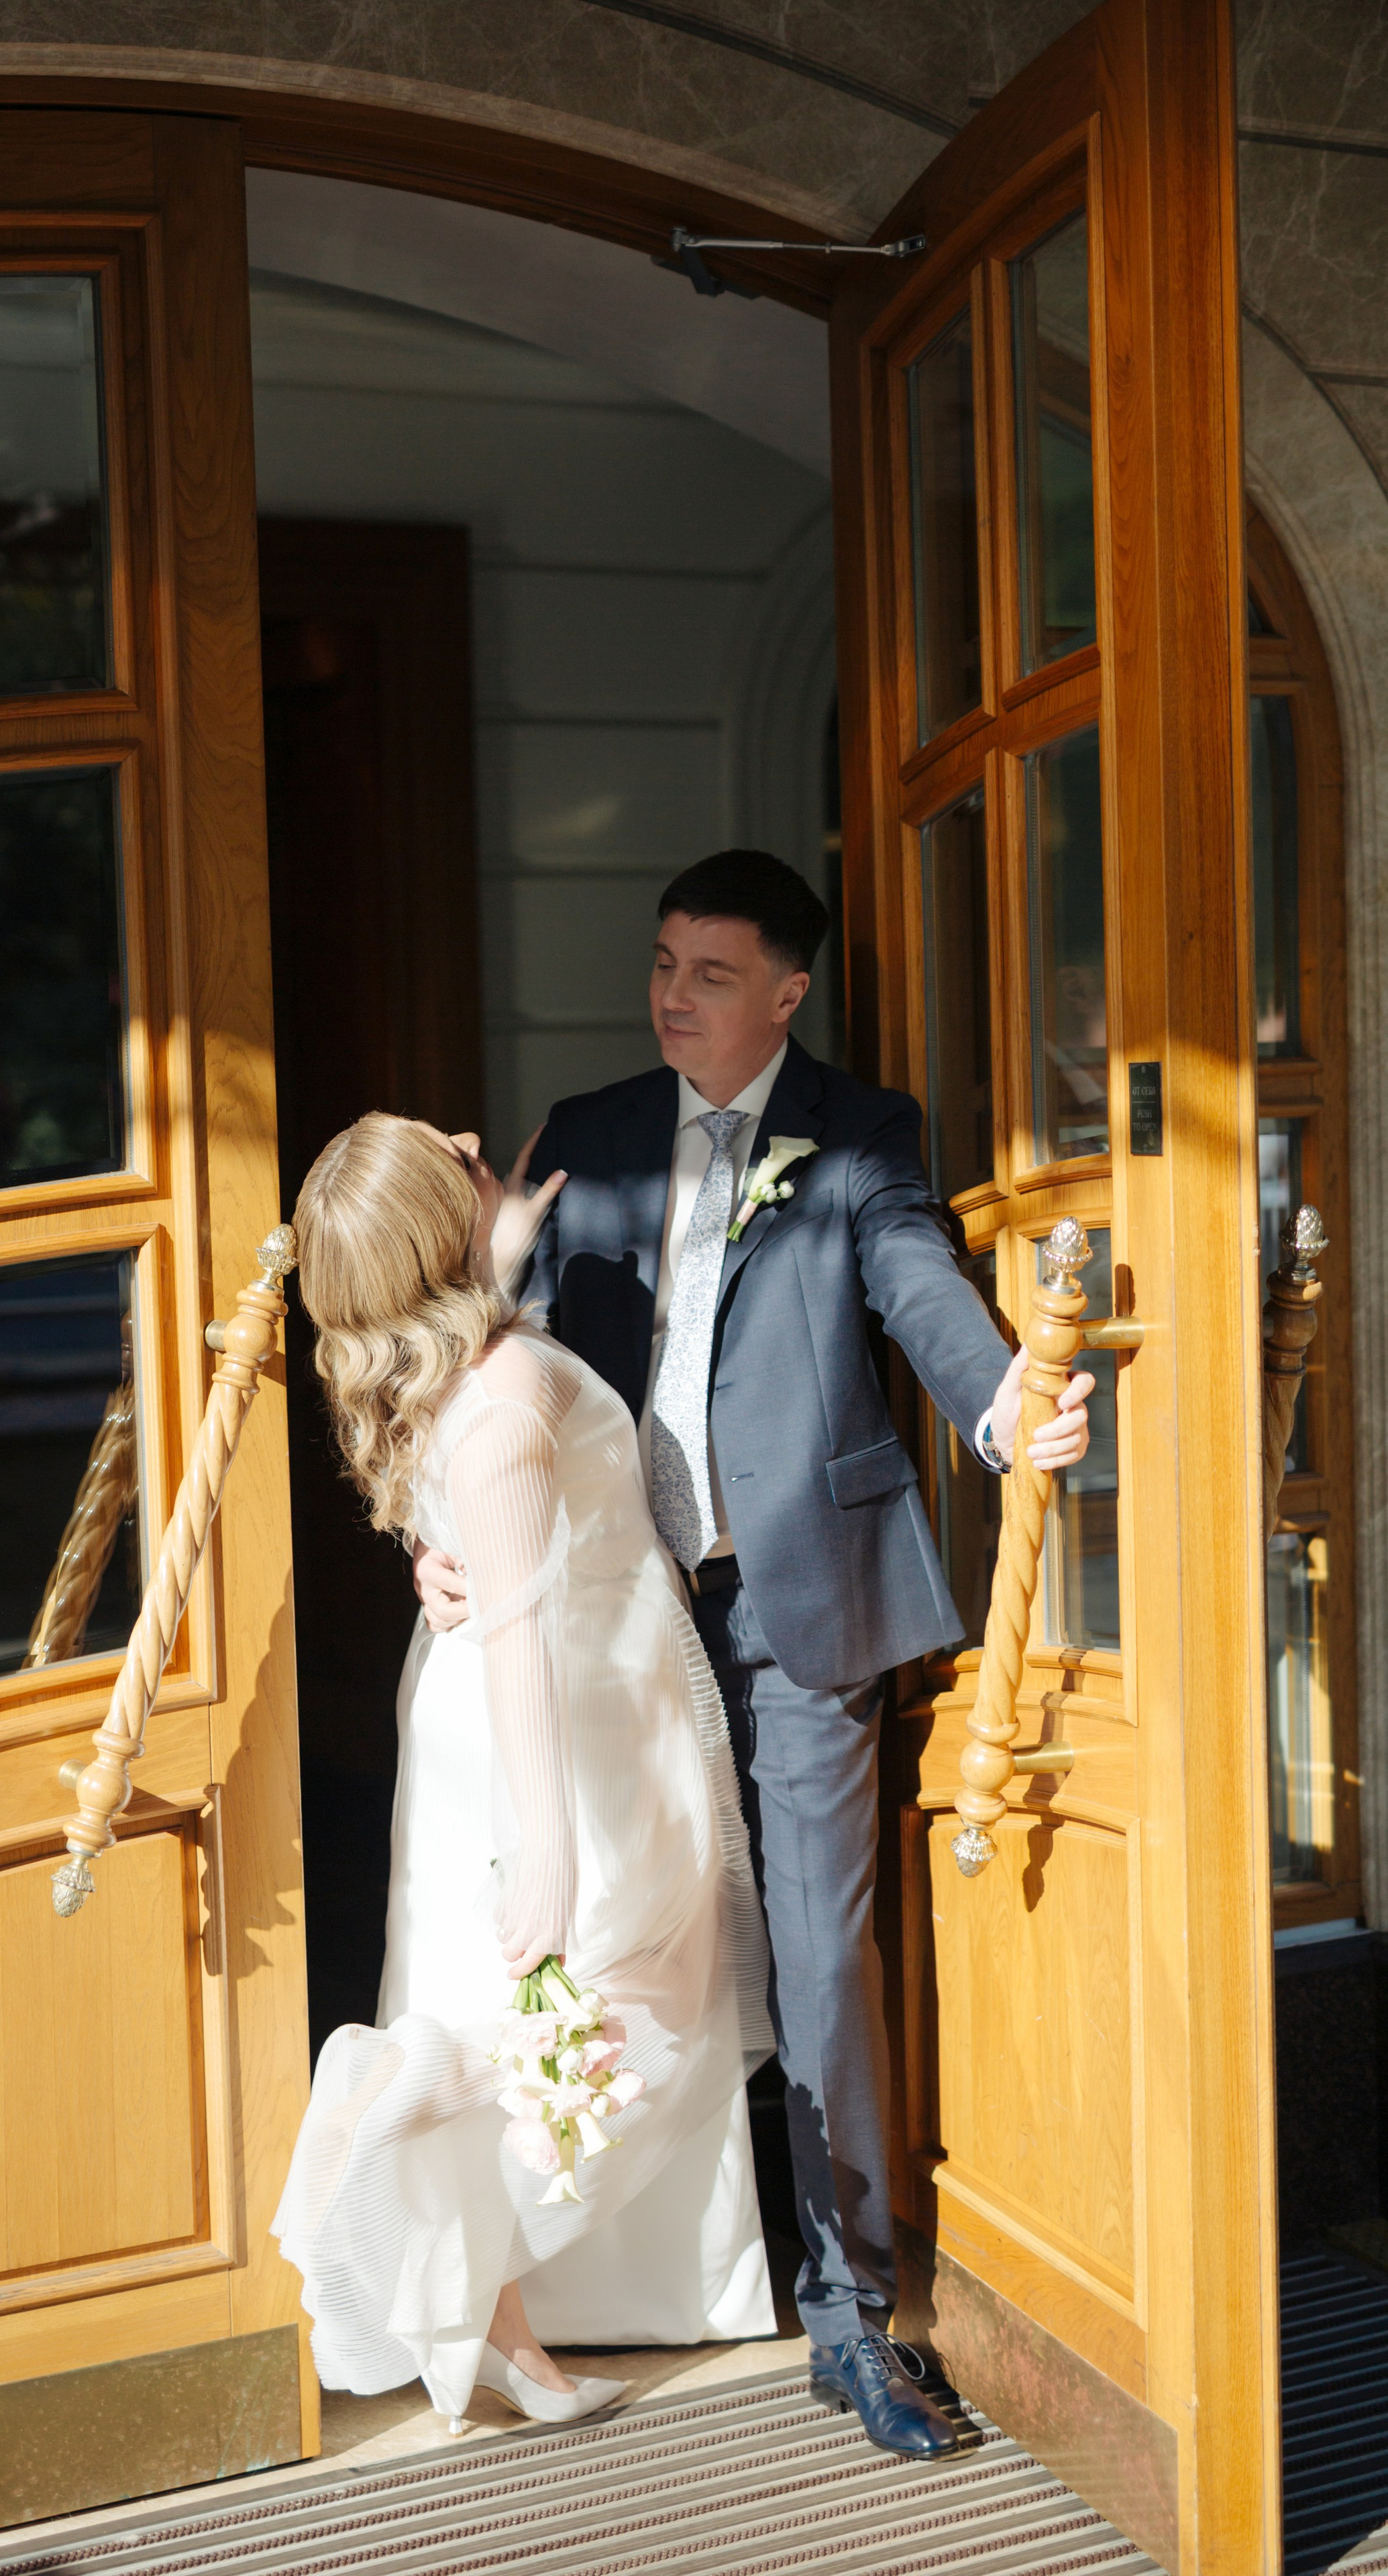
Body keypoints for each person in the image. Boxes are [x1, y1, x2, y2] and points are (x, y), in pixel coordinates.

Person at [413, 849, 1092, 2462]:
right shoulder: (580, 1140)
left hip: (795, 1613)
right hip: (609, 1621)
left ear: (786, 993)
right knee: (620, 1931)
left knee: (813, 1953)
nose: (671, 996)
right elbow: (469, 1363)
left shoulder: (859, 1138)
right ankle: (605, 2269)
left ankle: (849, 2316)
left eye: (710, 975)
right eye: (661, 964)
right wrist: (434, 1538)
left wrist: (1002, 1405)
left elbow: (921, 1289)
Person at [272, 1112, 778, 2434]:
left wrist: (486, 1244)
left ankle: (498, 2319)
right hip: (548, 1736)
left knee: (588, 2009)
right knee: (597, 2013)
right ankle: (422, 2248)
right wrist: (545, 1850)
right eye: (436, 1152)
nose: (464, 1133)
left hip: (594, 1704)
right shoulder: (500, 1405)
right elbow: (514, 1646)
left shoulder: (468, 1348)